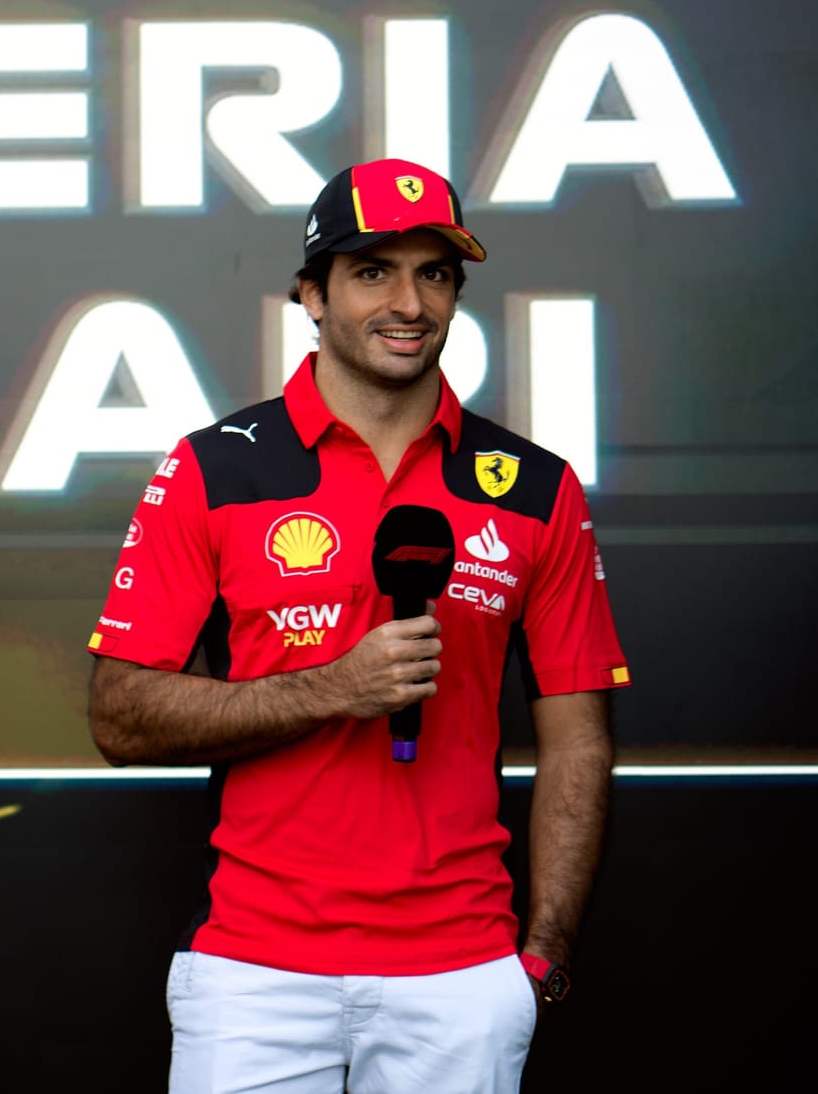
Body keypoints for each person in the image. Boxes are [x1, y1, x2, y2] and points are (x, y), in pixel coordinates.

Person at [87, 159, 630, 1093]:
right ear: (311, 293)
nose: (409, 301)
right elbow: (120, 716)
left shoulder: (536, 485)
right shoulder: (217, 468)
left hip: (463, 971)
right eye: (374, 270)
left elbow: (577, 740)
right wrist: (332, 689)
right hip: (254, 968)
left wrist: (540, 952)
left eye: (436, 273)